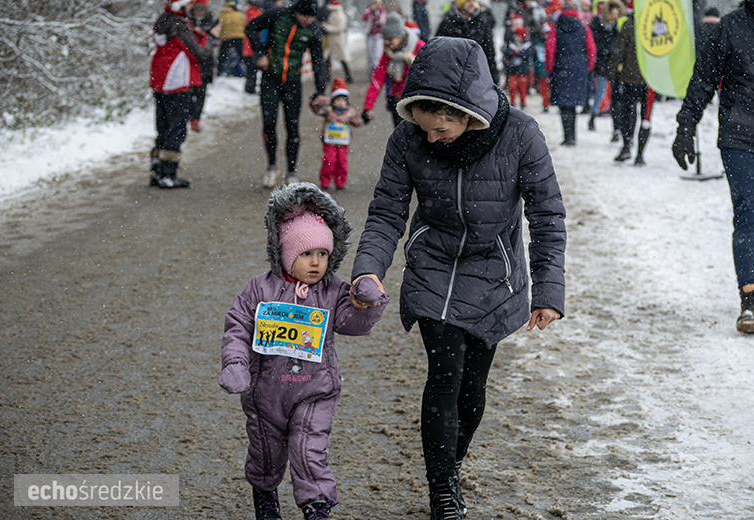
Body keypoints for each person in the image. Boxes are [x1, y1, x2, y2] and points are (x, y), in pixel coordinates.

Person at [350, 37, 566, 520]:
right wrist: (368, 268)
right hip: (433, 268)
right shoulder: (407, 138)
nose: (430, 138)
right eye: (423, 129)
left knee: (472, 389)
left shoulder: (521, 135)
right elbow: (386, 210)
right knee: (445, 377)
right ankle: (443, 487)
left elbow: (547, 216)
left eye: (440, 127)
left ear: (468, 112)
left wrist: (548, 290)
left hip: (495, 272)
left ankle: (450, 459)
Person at [219, 183, 389, 520]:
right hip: (264, 391)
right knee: (265, 454)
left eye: (323, 255)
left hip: (315, 390)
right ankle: (265, 494)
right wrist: (236, 362)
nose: (315, 263)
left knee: (308, 448)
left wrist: (365, 303)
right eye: (306, 254)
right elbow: (238, 325)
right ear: (284, 253)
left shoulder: (333, 290)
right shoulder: (260, 288)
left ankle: (317, 506)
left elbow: (352, 323)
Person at [672, 0, 754, 334]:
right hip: (743, 137)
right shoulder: (731, 27)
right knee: (752, 212)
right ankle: (751, 299)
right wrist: (685, 127)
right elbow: (703, 78)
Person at [245, 0, 328, 188]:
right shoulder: (277, 15)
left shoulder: (313, 29)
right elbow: (251, 27)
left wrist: (320, 90)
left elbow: (318, 61)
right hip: (270, 79)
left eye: (312, 16)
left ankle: (291, 171)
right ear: (297, 12)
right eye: (306, 16)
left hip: (292, 81)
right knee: (269, 123)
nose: (309, 20)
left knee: (292, 126)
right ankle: (271, 166)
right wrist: (259, 54)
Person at [149, 0, 212, 188]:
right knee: (176, 129)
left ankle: (157, 171)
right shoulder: (180, 26)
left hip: (160, 80)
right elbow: (200, 55)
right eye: (191, 4)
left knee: (163, 127)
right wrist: (210, 39)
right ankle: (169, 174)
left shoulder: (163, 21)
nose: (194, 8)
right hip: (176, 82)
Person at [545, 0, 596, 146]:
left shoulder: (556, 27)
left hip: (560, 67)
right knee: (573, 103)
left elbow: (550, 48)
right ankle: (573, 136)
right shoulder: (583, 27)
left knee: (563, 103)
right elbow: (591, 49)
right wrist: (588, 67)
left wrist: (550, 67)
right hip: (578, 68)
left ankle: (567, 136)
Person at [361, 12, 424, 127]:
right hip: (397, 101)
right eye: (385, 38)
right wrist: (368, 106)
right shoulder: (388, 54)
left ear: (400, 35)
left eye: (390, 39)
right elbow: (377, 79)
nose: (386, 42)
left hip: (417, 101)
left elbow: (429, 74)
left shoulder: (419, 47)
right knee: (402, 139)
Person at [607, 9, 654, 165]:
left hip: (630, 76)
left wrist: (612, 71)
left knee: (629, 113)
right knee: (646, 117)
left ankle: (627, 146)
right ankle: (640, 154)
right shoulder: (657, 22)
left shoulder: (630, 24)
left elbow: (619, 50)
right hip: (650, 79)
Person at [435, 0, 499, 85]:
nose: (472, 4)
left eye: (474, 1)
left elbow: (489, 51)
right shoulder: (448, 22)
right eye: (468, 1)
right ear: (460, 3)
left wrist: (493, 77)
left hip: (475, 76)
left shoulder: (481, 23)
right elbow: (438, 49)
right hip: (452, 75)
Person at [318, 78, 361, 190]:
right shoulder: (328, 111)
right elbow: (317, 108)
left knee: (342, 161)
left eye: (343, 100)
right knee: (329, 160)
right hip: (329, 141)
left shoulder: (350, 112)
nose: (341, 103)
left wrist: (356, 119)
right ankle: (325, 181)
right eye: (338, 100)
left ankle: (340, 182)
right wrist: (319, 99)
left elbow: (358, 122)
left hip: (343, 142)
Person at [587, 0, 622, 131]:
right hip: (602, 64)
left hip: (614, 65)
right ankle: (593, 116)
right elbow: (595, 44)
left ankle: (616, 128)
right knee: (600, 92)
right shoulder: (597, 25)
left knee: (615, 96)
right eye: (613, 13)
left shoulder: (616, 27)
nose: (615, 16)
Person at [189, 0, 220, 132]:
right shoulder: (188, 21)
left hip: (206, 61)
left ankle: (196, 118)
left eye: (202, 9)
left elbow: (216, 40)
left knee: (201, 92)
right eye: (198, 9)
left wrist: (205, 35)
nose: (200, 12)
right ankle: (190, 114)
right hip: (191, 61)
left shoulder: (213, 22)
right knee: (190, 91)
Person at [321, 0, 353, 84]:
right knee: (328, 59)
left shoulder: (340, 15)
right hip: (332, 40)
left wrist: (327, 27)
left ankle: (349, 77)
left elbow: (339, 28)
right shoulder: (334, 14)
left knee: (342, 59)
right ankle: (327, 77)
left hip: (338, 40)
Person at [502, 26, 534, 109]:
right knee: (512, 87)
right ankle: (512, 102)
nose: (515, 37)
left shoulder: (527, 45)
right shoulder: (510, 45)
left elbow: (528, 55)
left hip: (523, 71)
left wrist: (518, 53)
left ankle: (523, 103)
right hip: (512, 70)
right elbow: (506, 52)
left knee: (523, 89)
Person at [217, 0, 246, 76]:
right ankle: (244, 71)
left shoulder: (222, 14)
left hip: (226, 38)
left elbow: (219, 26)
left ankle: (220, 72)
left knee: (223, 56)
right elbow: (244, 24)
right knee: (241, 55)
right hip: (239, 37)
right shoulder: (239, 14)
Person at [242, 0, 264, 94]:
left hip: (246, 46)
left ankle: (249, 88)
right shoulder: (258, 15)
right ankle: (251, 89)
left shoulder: (247, 13)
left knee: (250, 70)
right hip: (253, 47)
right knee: (253, 69)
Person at [362, 0, 387, 77]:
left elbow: (382, 21)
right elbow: (364, 18)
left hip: (378, 35)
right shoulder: (369, 10)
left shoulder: (382, 10)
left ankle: (376, 73)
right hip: (370, 34)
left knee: (377, 54)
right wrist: (370, 10)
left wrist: (377, 11)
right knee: (370, 54)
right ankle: (370, 72)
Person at [532, 22, 552, 112]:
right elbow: (536, 59)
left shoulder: (555, 44)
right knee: (544, 89)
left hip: (553, 71)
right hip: (543, 70)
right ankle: (545, 105)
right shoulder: (539, 45)